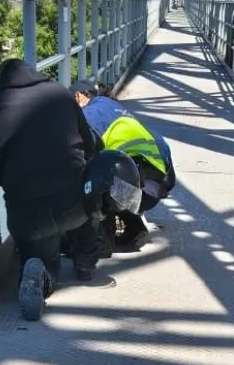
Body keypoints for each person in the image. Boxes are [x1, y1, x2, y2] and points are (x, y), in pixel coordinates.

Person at [0, 58, 101, 321]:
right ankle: (85, 260)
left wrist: (8, 177)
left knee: (43, 255)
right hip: (74, 203)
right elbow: (90, 146)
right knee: (90, 203)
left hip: (27, 211)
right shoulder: (61, 95)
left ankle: (41, 274)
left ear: (0, 81)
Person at [69, 80, 176, 250]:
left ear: (78, 96)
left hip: (130, 191)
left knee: (86, 174)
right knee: (116, 164)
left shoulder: (88, 114)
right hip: (155, 191)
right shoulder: (118, 110)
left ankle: (100, 239)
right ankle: (133, 224)